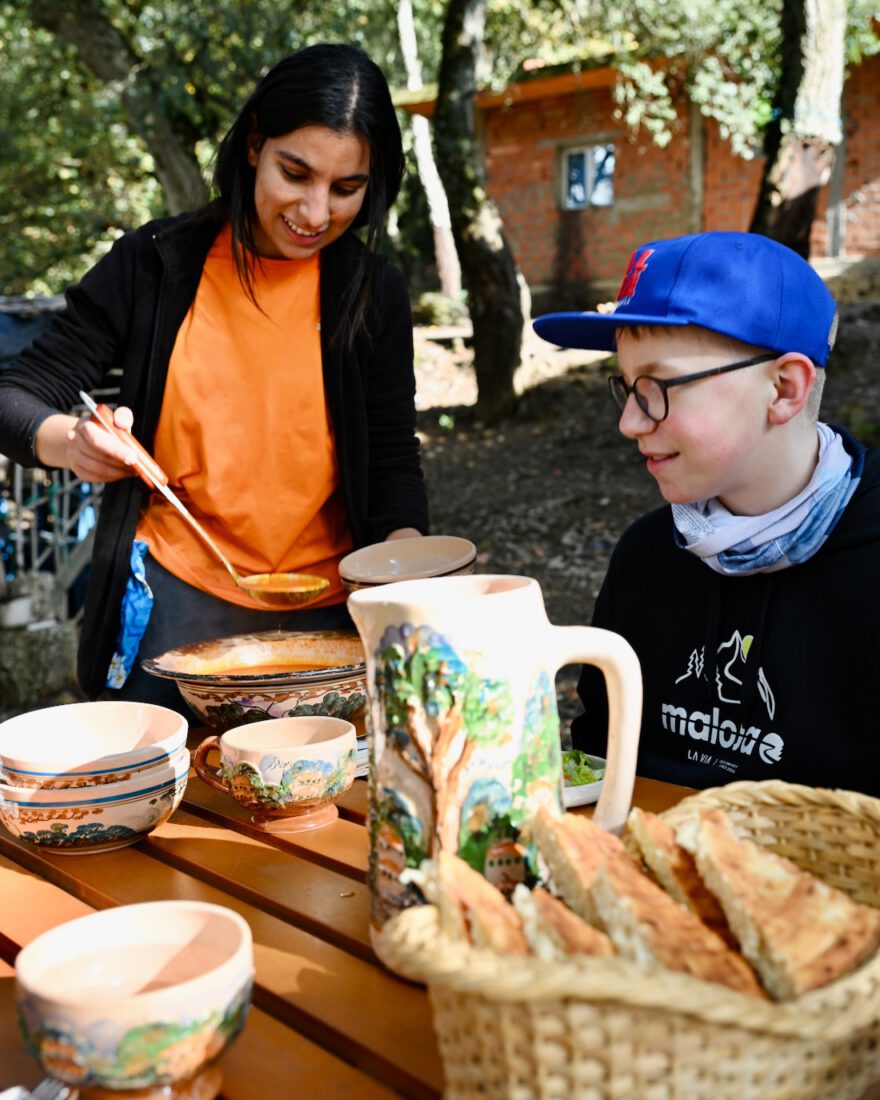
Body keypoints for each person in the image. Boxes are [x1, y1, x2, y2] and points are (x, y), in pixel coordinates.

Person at [0, 43, 428, 714]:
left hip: (332, 610)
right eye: (296, 173)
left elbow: (395, 458)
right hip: (175, 600)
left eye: (347, 189)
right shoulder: (155, 266)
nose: (317, 213)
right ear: (255, 144)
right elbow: (14, 395)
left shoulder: (372, 291)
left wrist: (409, 567)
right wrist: (72, 442)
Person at [533, 231, 880, 797]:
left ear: (785, 389)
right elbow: (596, 754)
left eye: (660, 386)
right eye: (626, 388)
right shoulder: (646, 557)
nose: (629, 424)